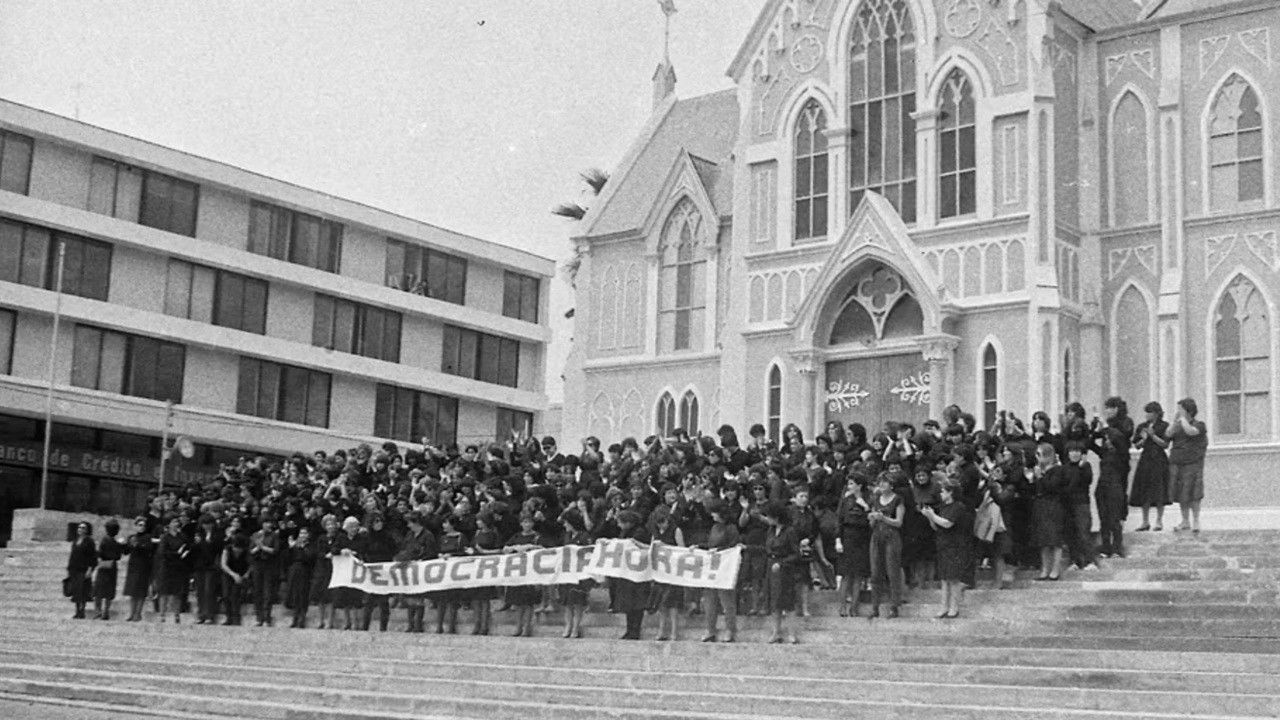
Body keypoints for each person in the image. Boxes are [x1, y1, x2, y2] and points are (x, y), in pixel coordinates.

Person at [921, 479, 974, 619]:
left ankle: (954, 607)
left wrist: (933, 516)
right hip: (943, 545)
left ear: (951, 492)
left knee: (954, 578)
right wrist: (930, 517)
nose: (941, 493)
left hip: (955, 546)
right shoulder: (943, 507)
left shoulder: (958, 507)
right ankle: (944, 606)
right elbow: (937, 526)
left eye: (943, 491)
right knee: (944, 578)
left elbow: (948, 524)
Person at [1094, 397, 1133, 558]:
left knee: (1116, 507)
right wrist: (1095, 429)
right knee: (1104, 508)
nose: (1107, 411)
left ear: (1116, 408)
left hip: (1119, 469)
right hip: (1106, 469)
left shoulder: (1125, 422)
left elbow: (1122, 440)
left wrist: (1105, 429)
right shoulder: (1108, 429)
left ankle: (1117, 546)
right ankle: (1106, 545)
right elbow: (1097, 443)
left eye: (1109, 408)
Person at [699, 500, 739, 642]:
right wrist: (699, 546)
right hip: (712, 568)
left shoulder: (731, 528)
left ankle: (730, 630)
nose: (712, 515)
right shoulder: (714, 527)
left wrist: (720, 550)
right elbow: (711, 545)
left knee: (726, 601)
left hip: (725, 568)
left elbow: (733, 547)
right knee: (709, 601)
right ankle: (710, 629)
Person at [1166, 398, 1207, 534]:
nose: (1178, 411)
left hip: (1193, 463)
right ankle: (1185, 520)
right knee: (1181, 493)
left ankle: (1195, 520)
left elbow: (1191, 431)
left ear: (1188, 410)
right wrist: (1174, 422)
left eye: (1180, 409)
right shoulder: (1178, 425)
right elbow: (1168, 434)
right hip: (1178, 463)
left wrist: (1183, 420)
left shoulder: (1200, 424)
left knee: (1194, 493)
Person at [867, 472, 905, 619]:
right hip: (876, 536)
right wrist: (872, 518)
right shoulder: (876, 499)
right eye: (880, 483)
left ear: (891, 484)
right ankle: (875, 606)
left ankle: (894, 605)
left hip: (892, 536)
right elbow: (871, 523)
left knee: (892, 571)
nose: (882, 485)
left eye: (885, 482)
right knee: (875, 572)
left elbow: (899, 522)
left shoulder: (898, 499)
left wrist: (883, 518)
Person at [762, 500, 800, 644]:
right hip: (771, 567)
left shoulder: (789, 531)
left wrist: (782, 563)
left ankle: (792, 633)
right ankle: (776, 632)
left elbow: (796, 554)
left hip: (785, 569)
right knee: (774, 602)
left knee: (788, 602)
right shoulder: (771, 531)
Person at [1130, 402, 1171, 531]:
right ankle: (1145, 521)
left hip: (1158, 458)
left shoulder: (1164, 426)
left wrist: (1153, 435)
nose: (1147, 415)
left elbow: (1165, 444)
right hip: (1146, 458)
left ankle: (1159, 520)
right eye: (1146, 412)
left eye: (1150, 412)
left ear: (1156, 413)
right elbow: (1137, 445)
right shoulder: (1142, 427)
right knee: (1144, 489)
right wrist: (1144, 438)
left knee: (1159, 489)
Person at [395, 511, 438, 634]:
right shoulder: (409, 535)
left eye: (410, 523)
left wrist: (420, 560)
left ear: (416, 523)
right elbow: (404, 549)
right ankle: (410, 623)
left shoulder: (428, 535)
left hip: (421, 569)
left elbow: (431, 553)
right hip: (409, 569)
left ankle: (418, 623)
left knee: (419, 598)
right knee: (409, 596)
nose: (408, 526)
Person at [1029, 443, 1067, 580]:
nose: (1038, 458)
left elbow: (1052, 487)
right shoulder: (1040, 470)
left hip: (1053, 505)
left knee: (1054, 539)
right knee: (1043, 540)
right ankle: (1045, 569)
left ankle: (1055, 569)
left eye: (1040, 455)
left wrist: (1041, 477)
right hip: (1040, 505)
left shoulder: (1058, 470)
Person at [836, 474, 872, 618]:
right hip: (847, 537)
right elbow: (839, 520)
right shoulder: (845, 500)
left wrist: (865, 506)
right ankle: (842, 606)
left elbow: (871, 520)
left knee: (858, 576)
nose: (849, 486)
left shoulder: (868, 499)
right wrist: (838, 539)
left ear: (859, 485)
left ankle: (854, 607)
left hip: (862, 538)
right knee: (846, 575)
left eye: (851, 483)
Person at [504, 512, 544, 637]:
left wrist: (529, 547)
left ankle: (527, 627)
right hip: (517, 572)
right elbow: (505, 548)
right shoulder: (516, 536)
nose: (527, 524)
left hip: (531, 571)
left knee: (528, 602)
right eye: (524, 522)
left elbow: (543, 549)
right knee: (518, 602)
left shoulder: (537, 536)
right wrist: (514, 548)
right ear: (521, 523)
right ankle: (518, 627)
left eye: (529, 522)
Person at [613, 510, 651, 640]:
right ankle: (629, 629)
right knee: (628, 603)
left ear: (628, 522)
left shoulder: (640, 532)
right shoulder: (625, 532)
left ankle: (635, 630)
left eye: (620, 522)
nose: (618, 525)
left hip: (638, 572)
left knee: (637, 603)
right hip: (628, 571)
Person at [648, 506, 684, 641]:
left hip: (673, 571)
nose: (661, 525)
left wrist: (665, 545)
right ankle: (661, 630)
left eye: (663, 521)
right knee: (661, 604)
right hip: (660, 572)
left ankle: (674, 631)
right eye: (658, 522)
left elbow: (681, 550)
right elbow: (651, 548)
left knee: (673, 603)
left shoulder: (676, 531)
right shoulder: (655, 533)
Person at [1060, 443, 1096, 571]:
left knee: (1083, 532)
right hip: (1068, 504)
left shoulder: (1086, 466)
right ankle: (1074, 561)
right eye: (1072, 451)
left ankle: (1090, 561)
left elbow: (1088, 480)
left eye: (1077, 451)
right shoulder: (1064, 468)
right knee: (1071, 533)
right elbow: (1065, 486)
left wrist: (1081, 468)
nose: (1075, 454)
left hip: (1082, 503)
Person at [557, 510, 593, 639]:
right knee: (567, 603)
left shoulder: (584, 536)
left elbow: (589, 552)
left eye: (566, 522)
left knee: (577, 603)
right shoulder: (566, 536)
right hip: (567, 573)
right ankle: (568, 625)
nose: (565, 525)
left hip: (579, 574)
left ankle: (576, 627)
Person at [358, 513, 396, 631]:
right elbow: (362, 551)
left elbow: (394, 550)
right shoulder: (367, 537)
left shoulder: (388, 537)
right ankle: (365, 627)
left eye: (380, 521)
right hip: (371, 572)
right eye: (376, 521)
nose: (378, 523)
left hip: (384, 572)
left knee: (384, 602)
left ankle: (383, 628)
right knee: (368, 603)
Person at [469, 511, 502, 635]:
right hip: (476, 568)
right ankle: (476, 623)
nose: (478, 522)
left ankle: (484, 625)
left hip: (488, 568)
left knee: (484, 599)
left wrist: (484, 552)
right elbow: (473, 547)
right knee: (476, 599)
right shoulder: (477, 533)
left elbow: (499, 550)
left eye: (480, 520)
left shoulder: (494, 534)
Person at [433, 515, 467, 634]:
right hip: (443, 571)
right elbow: (437, 550)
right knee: (441, 600)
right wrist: (440, 555)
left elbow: (465, 552)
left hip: (455, 571)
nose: (444, 525)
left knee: (453, 599)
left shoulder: (461, 537)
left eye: (446, 523)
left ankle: (452, 625)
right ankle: (439, 625)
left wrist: (453, 556)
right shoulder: (442, 538)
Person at [332, 516, 364, 630]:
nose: (353, 529)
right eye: (351, 526)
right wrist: (342, 551)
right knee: (344, 597)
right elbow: (334, 550)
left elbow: (364, 551)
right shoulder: (341, 537)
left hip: (356, 571)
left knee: (355, 597)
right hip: (344, 571)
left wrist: (358, 555)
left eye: (355, 526)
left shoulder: (361, 538)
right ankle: (347, 622)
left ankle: (356, 622)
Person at [157, 515, 190, 623]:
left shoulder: (182, 536)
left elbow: (187, 547)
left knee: (177, 592)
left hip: (178, 567)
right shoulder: (165, 537)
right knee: (164, 592)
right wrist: (176, 553)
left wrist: (184, 553)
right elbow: (162, 552)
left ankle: (177, 615)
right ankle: (162, 614)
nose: (176, 524)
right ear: (169, 524)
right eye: (174, 522)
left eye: (177, 521)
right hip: (166, 566)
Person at [191, 514, 223, 625]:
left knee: (209, 591)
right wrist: (198, 543)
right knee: (200, 591)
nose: (207, 526)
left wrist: (205, 542)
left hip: (212, 566)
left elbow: (215, 549)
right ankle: (201, 614)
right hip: (200, 566)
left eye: (209, 524)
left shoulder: (217, 535)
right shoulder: (198, 534)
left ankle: (209, 615)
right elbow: (195, 549)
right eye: (204, 524)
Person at [249, 514, 281, 626]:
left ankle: (267, 617)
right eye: (266, 522)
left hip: (269, 564)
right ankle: (259, 617)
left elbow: (275, 550)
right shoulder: (255, 535)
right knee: (257, 591)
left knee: (268, 591)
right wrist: (258, 546)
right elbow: (251, 551)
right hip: (257, 564)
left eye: (270, 522)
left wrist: (262, 547)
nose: (268, 525)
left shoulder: (274, 536)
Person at [123, 516, 155, 622]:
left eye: (143, 525)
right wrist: (126, 544)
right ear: (136, 526)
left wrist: (137, 545)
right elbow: (126, 551)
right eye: (140, 525)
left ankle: (138, 613)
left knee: (141, 592)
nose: (142, 527)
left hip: (143, 566)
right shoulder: (132, 537)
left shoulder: (147, 537)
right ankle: (132, 613)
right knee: (132, 591)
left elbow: (148, 549)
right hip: (133, 566)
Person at [284, 526, 317, 628]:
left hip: (305, 570)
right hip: (294, 569)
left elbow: (310, 558)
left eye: (305, 533)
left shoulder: (311, 546)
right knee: (294, 593)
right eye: (301, 533)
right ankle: (295, 617)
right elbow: (287, 558)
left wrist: (302, 548)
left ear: (308, 535)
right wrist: (290, 547)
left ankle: (302, 617)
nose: (302, 535)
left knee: (303, 594)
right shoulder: (294, 545)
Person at [92, 519, 125, 620]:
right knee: (108, 591)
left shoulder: (104, 540)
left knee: (99, 590)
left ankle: (98, 610)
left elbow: (99, 553)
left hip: (103, 565)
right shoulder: (116, 543)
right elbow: (118, 556)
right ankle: (105, 611)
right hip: (112, 567)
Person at [66, 521, 96, 620]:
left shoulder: (89, 542)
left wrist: (90, 569)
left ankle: (82, 611)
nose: (81, 529)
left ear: (87, 530)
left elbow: (92, 557)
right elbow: (72, 555)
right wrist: (69, 568)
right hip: (74, 569)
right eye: (79, 527)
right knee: (76, 591)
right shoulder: (75, 541)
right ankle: (77, 611)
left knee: (83, 591)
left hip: (83, 569)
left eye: (83, 528)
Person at [219, 532, 251, 626]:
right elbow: (223, 564)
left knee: (235, 596)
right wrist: (233, 575)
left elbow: (250, 565)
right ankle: (228, 617)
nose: (237, 550)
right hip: (228, 573)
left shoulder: (246, 552)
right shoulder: (227, 549)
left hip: (241, 573)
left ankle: (236, 618)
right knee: (225, 595)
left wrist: (246, 574)